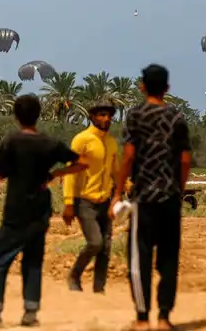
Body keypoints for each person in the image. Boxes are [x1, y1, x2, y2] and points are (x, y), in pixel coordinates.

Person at [0, 94, 86, 327]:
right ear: (38, 115)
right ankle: (30, 313)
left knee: (0, 261)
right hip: (40, 211)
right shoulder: (50, 143)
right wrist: (56, 173)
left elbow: (1, 174)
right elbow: (82, 162)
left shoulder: (10, 142)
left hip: (15, 210)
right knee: (32, 262)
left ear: (16, 116)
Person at [111, 64, 191, 331]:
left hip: (143, 198)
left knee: (139, 259)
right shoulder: (177, 118)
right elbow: (185, 160)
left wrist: (117, 193)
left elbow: (128, 156)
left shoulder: (136, 115)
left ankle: (143, 318)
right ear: (167, 88)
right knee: (169, 259)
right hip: (170, 198)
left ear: (142, 86)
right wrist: (179, 190)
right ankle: (165, 317)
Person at [63, 99, 118, 293]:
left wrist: (129, 186)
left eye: (109, 115)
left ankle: (99, 288)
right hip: (84, 201)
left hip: (105, 202)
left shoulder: (111, 143)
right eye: (102, 115)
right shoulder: (82, 140)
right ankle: (74, 275)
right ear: (92, 117)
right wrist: (68, 203)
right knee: (95, 242)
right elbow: (71, 173)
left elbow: (116, 171)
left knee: (106, 247)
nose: (106, 119)